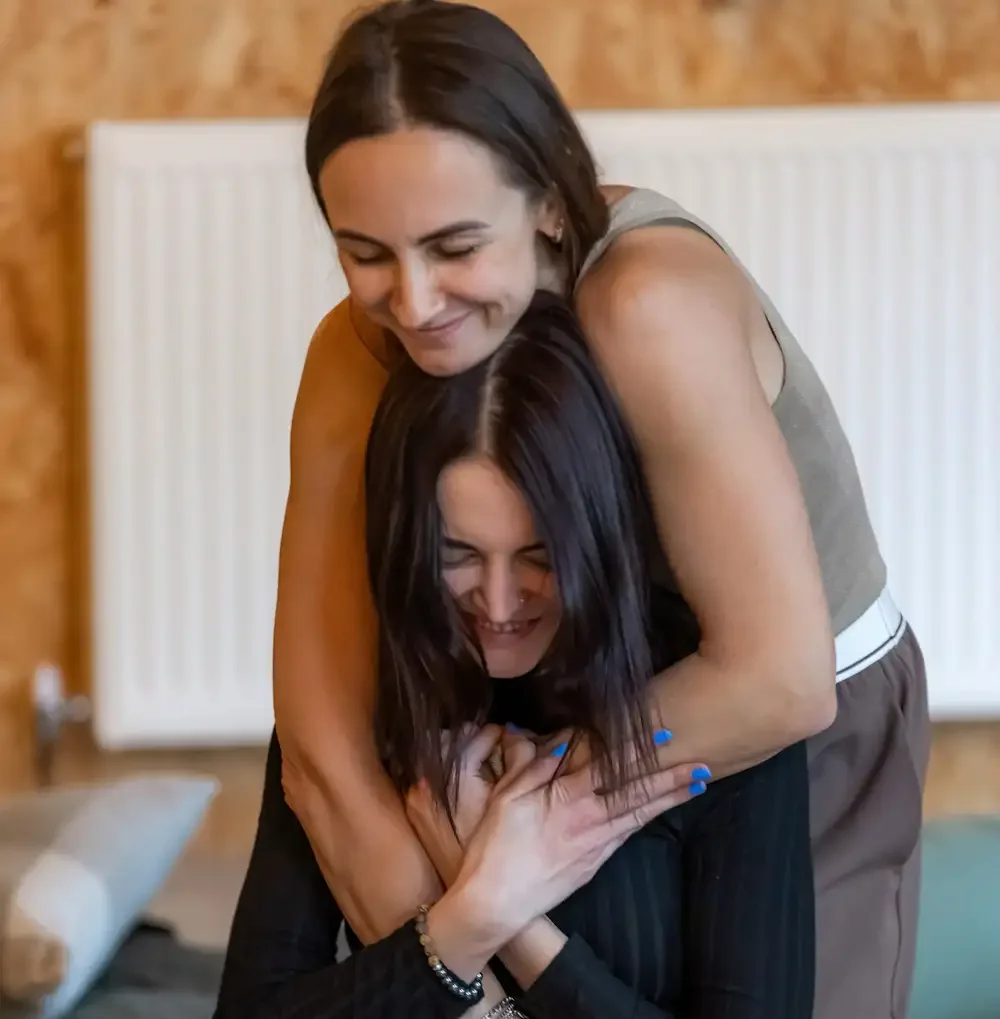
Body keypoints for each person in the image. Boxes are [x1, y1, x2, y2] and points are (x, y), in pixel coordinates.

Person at [274, 2, 930, 1017]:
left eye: (454, 244)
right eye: (366, 253)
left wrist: (512, 820)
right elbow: (321, 752)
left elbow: (776, 682)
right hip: (552, 689)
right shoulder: (345, 359)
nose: (412, 303)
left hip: (785, 706)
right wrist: (460, 951)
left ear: (546, 202)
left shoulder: (644, 305)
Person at [216, 293, 815, 1019]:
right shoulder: (355, 699)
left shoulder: (719, 704)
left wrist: (522, 928)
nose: (498, 606)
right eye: (458, 554)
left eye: (539, 556)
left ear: (599, 537)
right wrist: (464, 921)